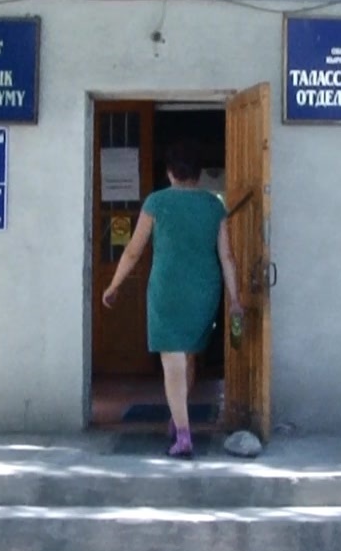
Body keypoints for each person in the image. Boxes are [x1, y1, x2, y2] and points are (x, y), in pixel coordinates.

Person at [101, 141, 242, 458]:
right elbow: (227, 257)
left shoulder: (156, 202)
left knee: (172, 359)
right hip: (204, 289)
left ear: (169, 172)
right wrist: (234, 299)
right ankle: (179, 418)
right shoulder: (213, 206)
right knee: (188, 355)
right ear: (198, 174)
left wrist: (114, 285)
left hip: (167, 288)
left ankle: (183, 434)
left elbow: (133, 250)